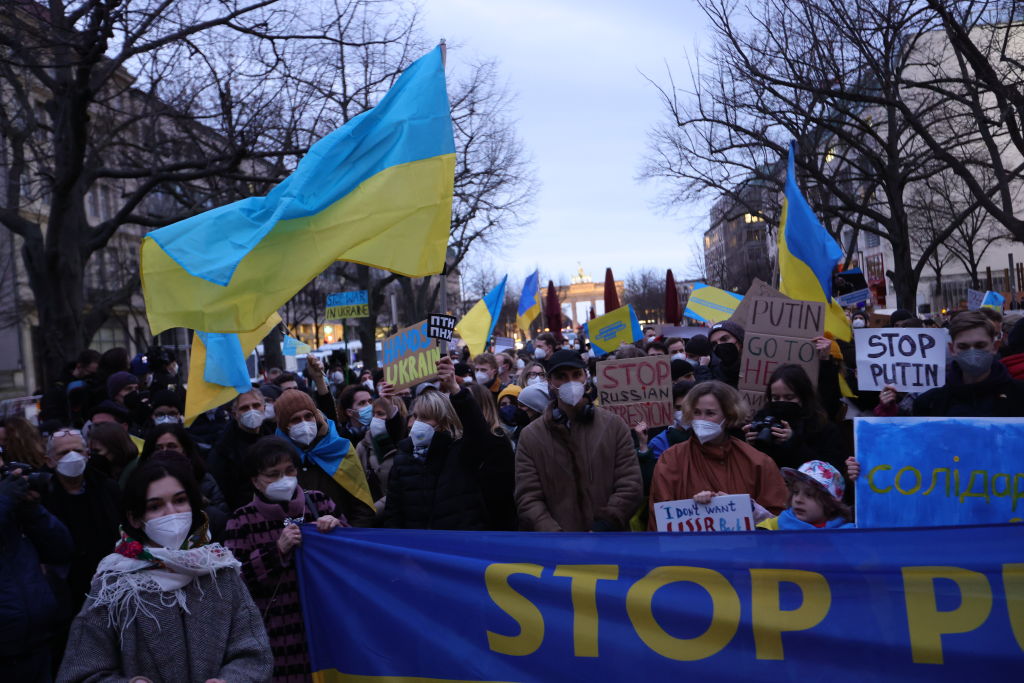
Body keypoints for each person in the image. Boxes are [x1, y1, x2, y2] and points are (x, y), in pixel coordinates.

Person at [57, 457, 273, 682]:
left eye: (180, 500)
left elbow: (254, 654)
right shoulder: (114, 585)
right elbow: (82, 672)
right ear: (135, 518)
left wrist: (231, 680)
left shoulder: (219, 570)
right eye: (155, 506)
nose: (171, 512)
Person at [224, 437, 344, 682]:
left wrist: (337, 530)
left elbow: (352, 558)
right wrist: (276, 551)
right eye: (273, 474)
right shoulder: (241, 521)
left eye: (290, 471)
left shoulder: (319, 503)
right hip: (278, 636)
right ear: (255, 480)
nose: (284, 479)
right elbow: (235, 582)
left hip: (326, 625)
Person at [515, 350, 642, 532]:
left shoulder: (614, 426)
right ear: (550, 382)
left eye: (576, 374)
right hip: (558, 545)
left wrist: (605, 525)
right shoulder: (531, 437)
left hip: (610, 541)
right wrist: (556, 536)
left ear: (585, 377)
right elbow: (528, 497)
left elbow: (630, 484)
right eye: (561, 377)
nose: (570, 382)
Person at [648, 381, 788, 529]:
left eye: (710, 413)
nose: (701, 420)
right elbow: (660, 519)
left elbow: (778, 522)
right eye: (696, 412)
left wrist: (744, 507)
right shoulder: (671, 459)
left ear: (729, 416)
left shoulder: (758, 462)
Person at [379, 359, 500, 530]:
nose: (416, 423)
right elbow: (394, 514)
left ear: (444, 423)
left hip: (456, 542)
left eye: (425, 417)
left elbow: (478, 432)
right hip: (416, 544)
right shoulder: (404, 458)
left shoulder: (461, 453)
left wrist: (455, 388)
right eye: (415, 416)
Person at [0, 454, 74, 682]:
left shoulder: (10, 513)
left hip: (36, 648)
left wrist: (32, 511)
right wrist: (3, 501)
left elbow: (62, 549)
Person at [40, 428, 121, 616]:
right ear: (49, 461)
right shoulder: (40, 496)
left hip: (109, 582)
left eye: (77, 450)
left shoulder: (107, 488)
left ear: (87, 454)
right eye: (63, 453)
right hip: (65, 590)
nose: (72, 456)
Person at [274, 389, 376, 526]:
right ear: (284, 427)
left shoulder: (340, 449)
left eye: (308, 416)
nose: (304, 423)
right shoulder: (276, 460)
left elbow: (362, 505)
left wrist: (347, 531)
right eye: (295, 420)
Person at [913, 310, 1024, 416]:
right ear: (952, 349)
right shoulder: (929, 403)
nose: (972, 352)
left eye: (980, 345)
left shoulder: (1019, 395)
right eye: (963, 346)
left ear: (995, 347)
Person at [743, 364, 847, 476]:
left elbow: (830, 473)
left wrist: (794, 442)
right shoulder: (763, 420)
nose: (781, 402)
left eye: (789, 397)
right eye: (775, 398)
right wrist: (750, 446)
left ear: (804, 397)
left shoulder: (823, 428)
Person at [140, 424, 231, 537]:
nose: (165, 452)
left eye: (171, 446)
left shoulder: (205, 480)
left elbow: (221, 518)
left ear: (185, 450)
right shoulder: (140, 485)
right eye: (158, 448)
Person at [208, 389, 277, 512]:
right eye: (244, 408)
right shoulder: (224, 450)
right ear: (234, 414)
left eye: (256, 405)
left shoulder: (274, 437)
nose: (252, 411)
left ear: (264, 408)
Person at [757, 460, 855, 530]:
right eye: (795, 492)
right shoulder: (773, 527)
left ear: (831, 505)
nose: (798, 500)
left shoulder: (847, 535)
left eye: (809, 495)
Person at [356, 395, 406, 512]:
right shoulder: (363, 446)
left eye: (380, 414)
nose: (375, 419)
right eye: (373, 414)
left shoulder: (408, 445)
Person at [40, 349, 100, 425]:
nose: (93, 377)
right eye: (91, 373)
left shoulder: (95, 385)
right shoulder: (59, 387)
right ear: (79, 366)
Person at [696, 321, 744, 387]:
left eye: (724, 339)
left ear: (739, 340)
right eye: (714, 344)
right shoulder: (715, 374)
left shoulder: (755, 368)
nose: (719, 345)